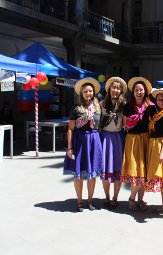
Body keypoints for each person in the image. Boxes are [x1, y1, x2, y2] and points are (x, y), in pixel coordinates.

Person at [63, 77, 103, 212]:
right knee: (78, 173)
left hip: (94, 141)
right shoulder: (76, 109)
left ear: (94, 92)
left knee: (92, 174)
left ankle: (90, 200)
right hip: (80, 141)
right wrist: (69, 147)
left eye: (90, 91)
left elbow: (100, 126)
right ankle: (79, 201)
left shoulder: (98, 108)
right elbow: (70, 129)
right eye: (86, 91)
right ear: (81, 93)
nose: (88, 94)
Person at [121, 77, 152, 211]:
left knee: (144, 172)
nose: (139, 92)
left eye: (141, 90)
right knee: (136, 172)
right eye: (137, 90)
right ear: (133, 92)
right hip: (133, 140)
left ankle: (140, 200)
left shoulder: (150, 107)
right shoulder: (128, 107)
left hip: (145, 140)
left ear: (145, 92)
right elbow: (124, 125)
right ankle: (132, 199)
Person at [99, 77, 127, 209]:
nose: (115, 90)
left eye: (118, 88)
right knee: (105, 169)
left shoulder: (124, 105)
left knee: (117, 169)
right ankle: (107, 197)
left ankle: (115, 197)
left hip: (118, 139)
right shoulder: (102, 104)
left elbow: (126, 125)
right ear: (109, 88)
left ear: (121, 90)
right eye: (113, 87)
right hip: (105, 138)